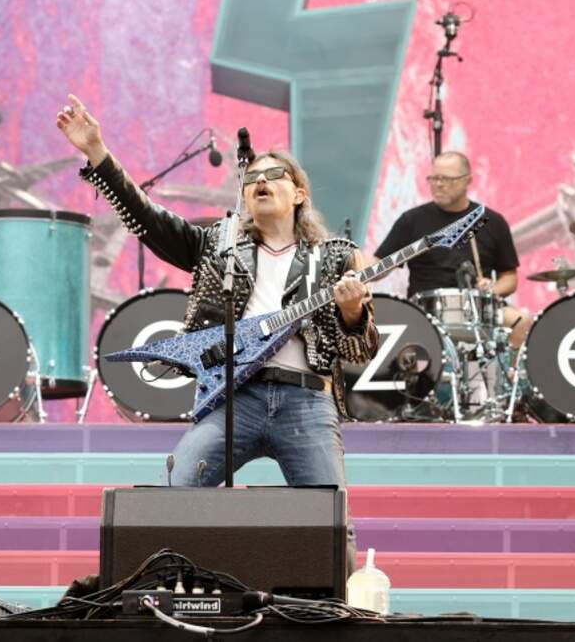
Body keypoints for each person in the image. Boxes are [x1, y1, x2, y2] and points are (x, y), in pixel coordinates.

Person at [55, 94, 377, 498]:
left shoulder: (335, 257)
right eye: (252, 177)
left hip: (306, 399)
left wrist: (352, 312)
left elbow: (360, 351)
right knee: (173, 495)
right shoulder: (218, 247)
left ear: (299, 194)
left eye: (274, 174)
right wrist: (97, 153)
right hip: (234, 398)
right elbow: (148, 219)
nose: (260, 181)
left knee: (330, 517)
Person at [374, 151, 532, 349]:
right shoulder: (412, 220)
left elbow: (510, 277)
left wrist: (492, 289)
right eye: (434, 178)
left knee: (521, 322)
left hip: (477, 307)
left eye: (447, 179)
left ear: (468, 181)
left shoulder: (491, 221)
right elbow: (379, 264)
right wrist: (354, 269)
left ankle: (507, 370)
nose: (439, 184)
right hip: (424, 309)